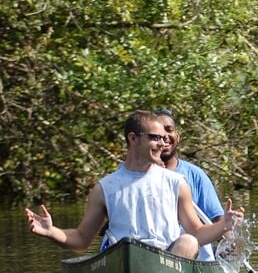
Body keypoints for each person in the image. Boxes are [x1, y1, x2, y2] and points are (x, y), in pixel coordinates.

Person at [25, 110, 243, 259]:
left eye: (164, 137)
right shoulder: (105, 188)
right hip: (124, 262)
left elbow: (196, 232)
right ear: (133, 138)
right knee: (127, 250)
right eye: (155, 137)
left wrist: (223, 225)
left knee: (188, 242)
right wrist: (51, 231)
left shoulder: (177, 182)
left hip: (167, 266)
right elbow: (82, 240)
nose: (163, 142)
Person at [154, 108, 226, 261]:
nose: (164, 137)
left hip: (192, 252)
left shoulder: (195, 175)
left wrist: (230, 244)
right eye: (157, 133)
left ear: (177, 137)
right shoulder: (137, 174)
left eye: (169, 130)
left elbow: (216, 221)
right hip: (155, 248)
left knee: (190, 240)